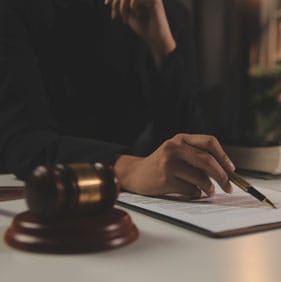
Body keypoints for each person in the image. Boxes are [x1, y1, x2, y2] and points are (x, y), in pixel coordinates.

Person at [0, 0, 235, 199]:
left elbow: (185, 152)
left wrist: (162, 46)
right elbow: (24, 142)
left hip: (141, 205)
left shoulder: (169, 12)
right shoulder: (18, 9)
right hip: (43, 196)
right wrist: (129, 169)